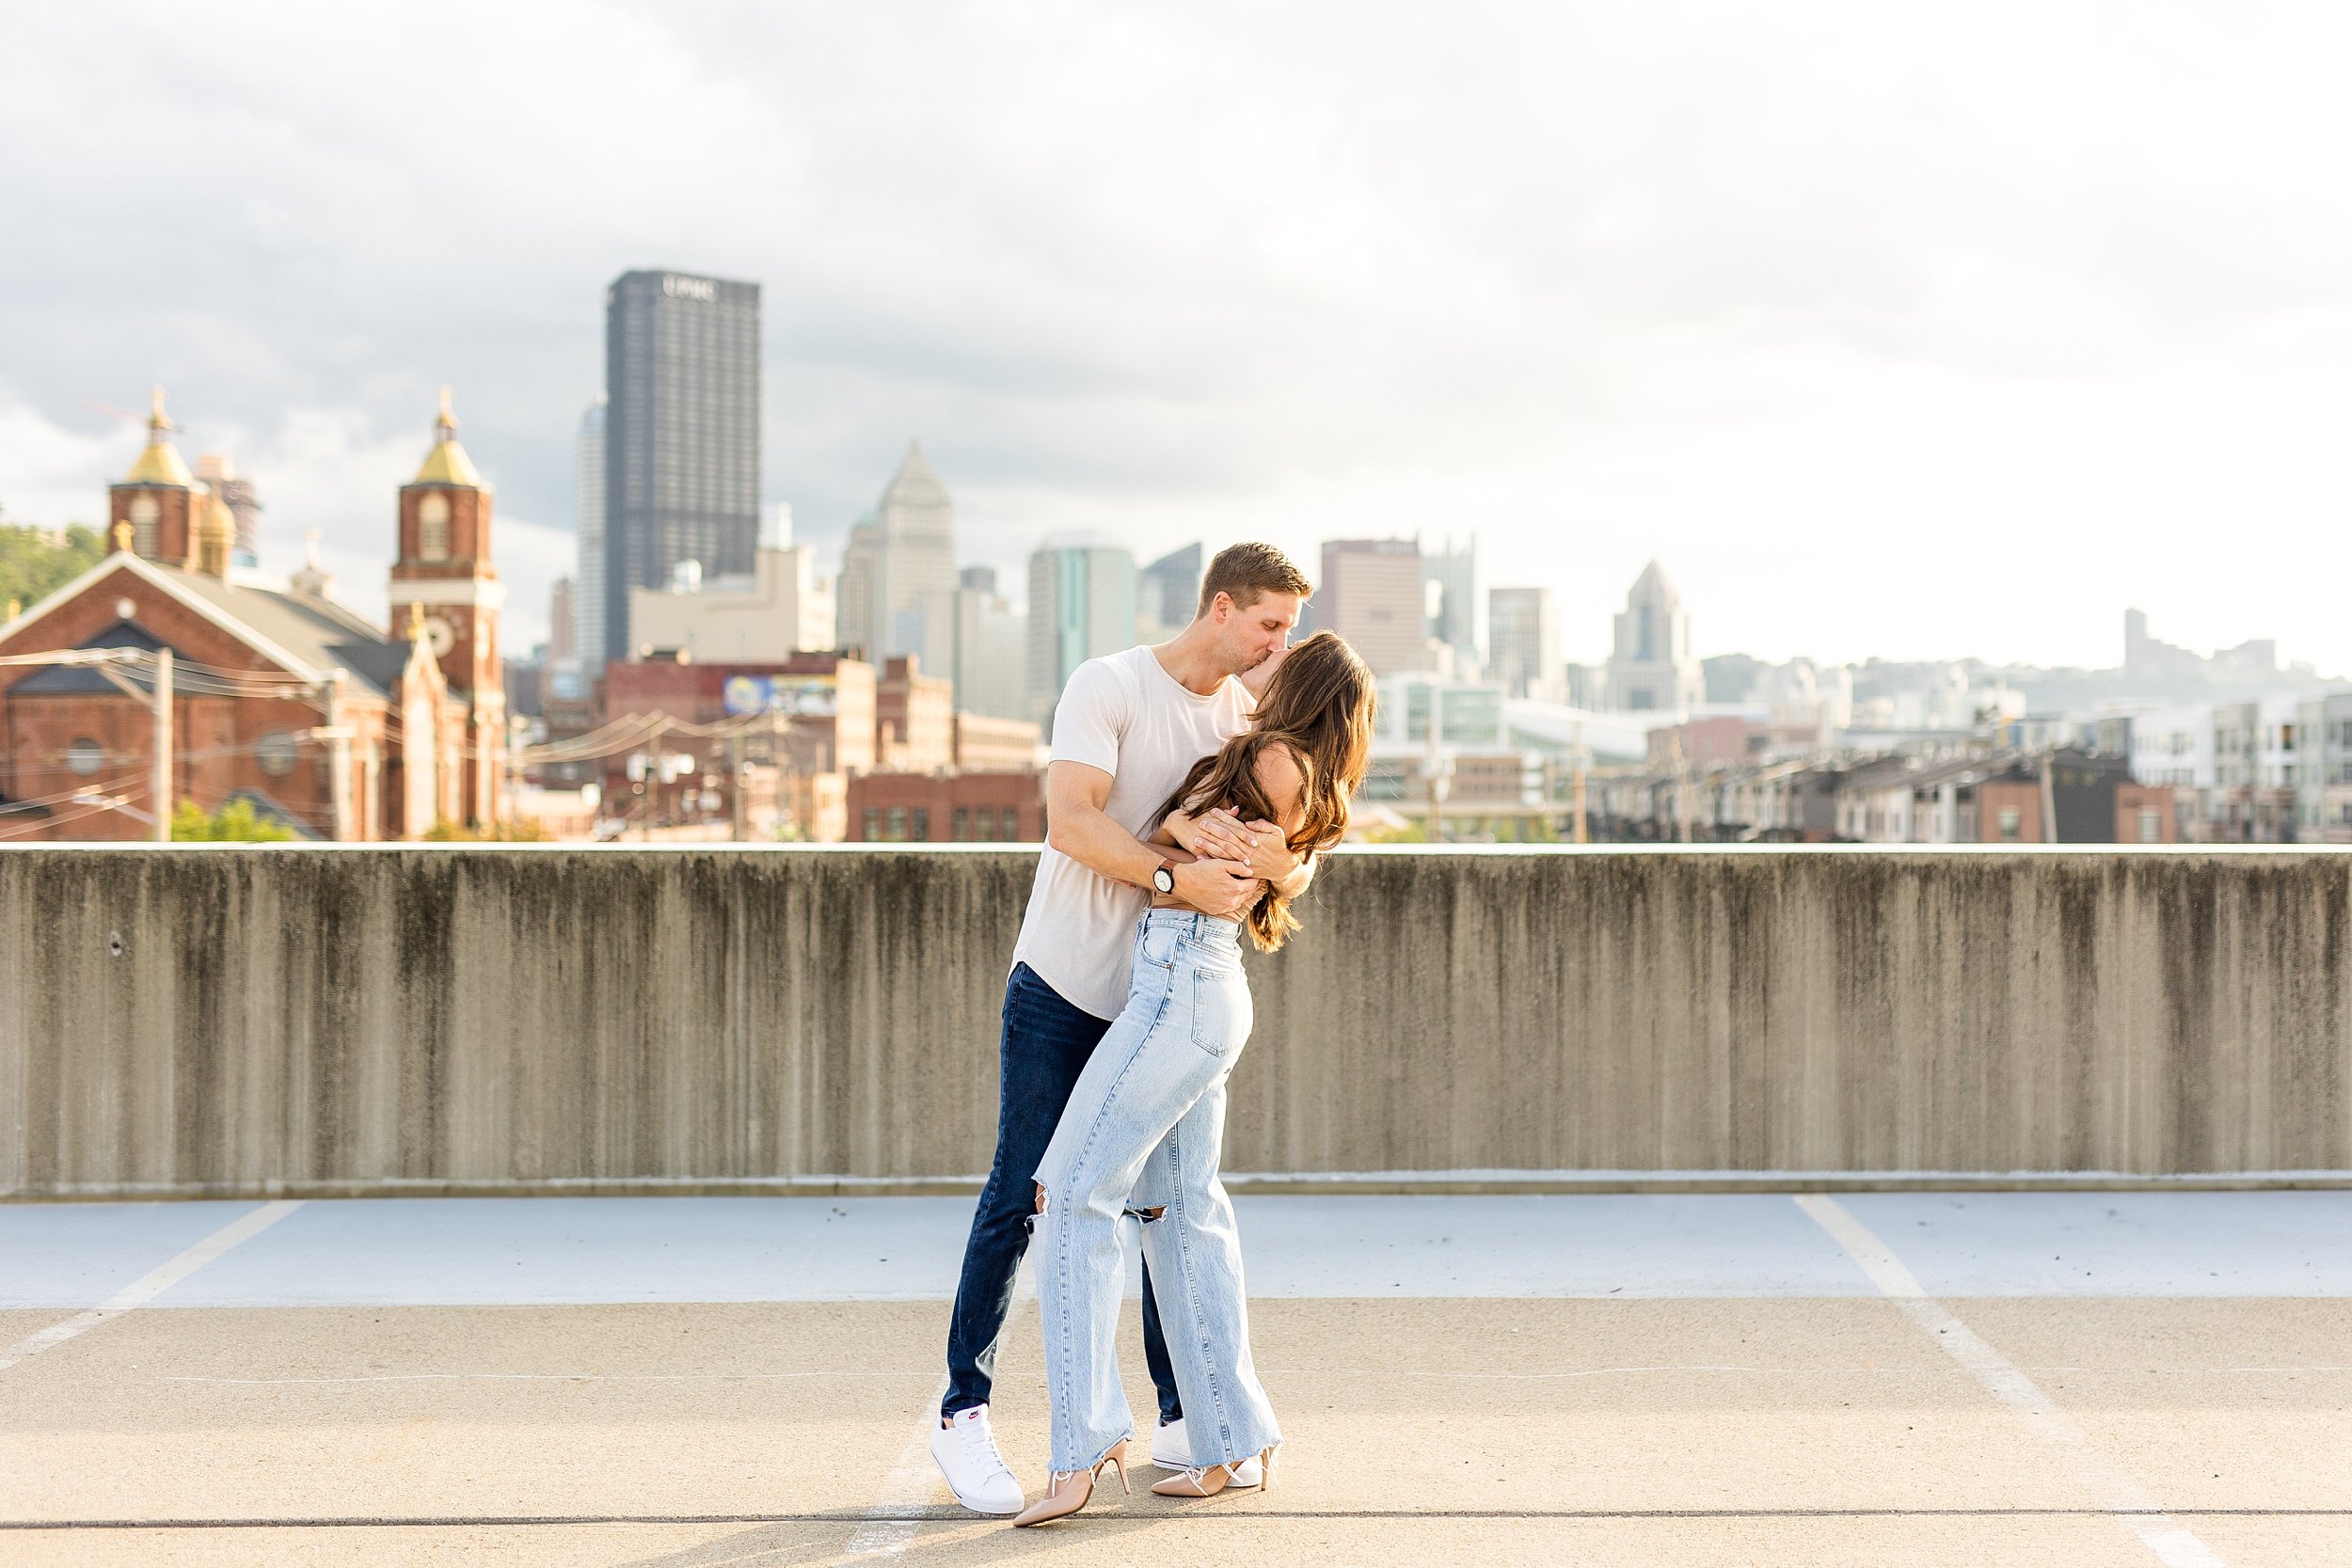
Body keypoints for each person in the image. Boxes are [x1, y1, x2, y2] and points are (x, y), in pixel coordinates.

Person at [929, 543, 1318, 1515]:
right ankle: (964, 1413)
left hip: (1166, 1000)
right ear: (1220, 606)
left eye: (1289, 627)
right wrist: (1170, 873)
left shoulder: (1250, 723)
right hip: (1066, 981)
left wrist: (1281, 866)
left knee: (1168, 1205)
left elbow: (1302, 857)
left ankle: (1185, 1415)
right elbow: (1070, 820)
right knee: (1024, 1192)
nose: (1281, 641)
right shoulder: (1109, 683)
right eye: (1269, 621)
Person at [1010, 631, 1375, 1527]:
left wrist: (1180, 830)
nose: (1271, 655)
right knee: (1182, 1214)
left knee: (1070, 1192)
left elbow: (1186, 836)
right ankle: (1232, 1443)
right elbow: (1206, 836)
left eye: (1288, 652)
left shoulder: (1264, 753)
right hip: (1200, 987)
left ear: (1301, 685)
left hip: (1178, 990)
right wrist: (1185, 831)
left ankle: (1082, 1448)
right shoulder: (1302, 772)